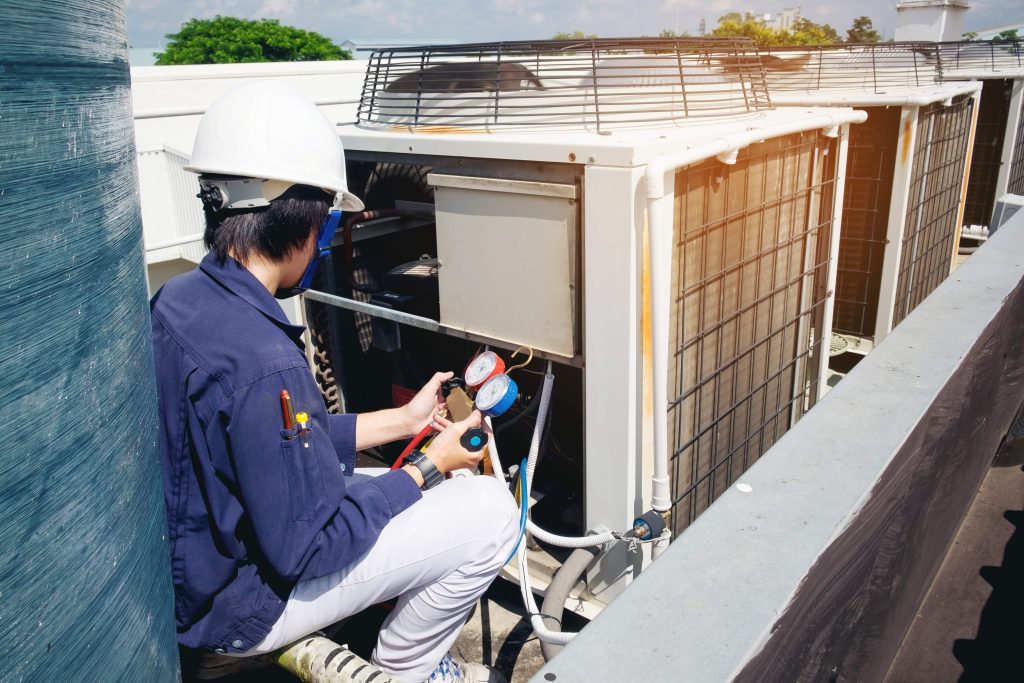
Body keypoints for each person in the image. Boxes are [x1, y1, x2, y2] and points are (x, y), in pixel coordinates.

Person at [150, 81, 519, 683]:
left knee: (389, 489)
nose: (323, 245)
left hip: (196, 573)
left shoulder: (181, 301)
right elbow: (310, 544)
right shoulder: (266, 361)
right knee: (489, 511)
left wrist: (405, 423)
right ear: (297, 220)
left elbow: (269, 447)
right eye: (325, 228)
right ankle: (409, 669)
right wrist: (426, 469)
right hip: (240, 608)